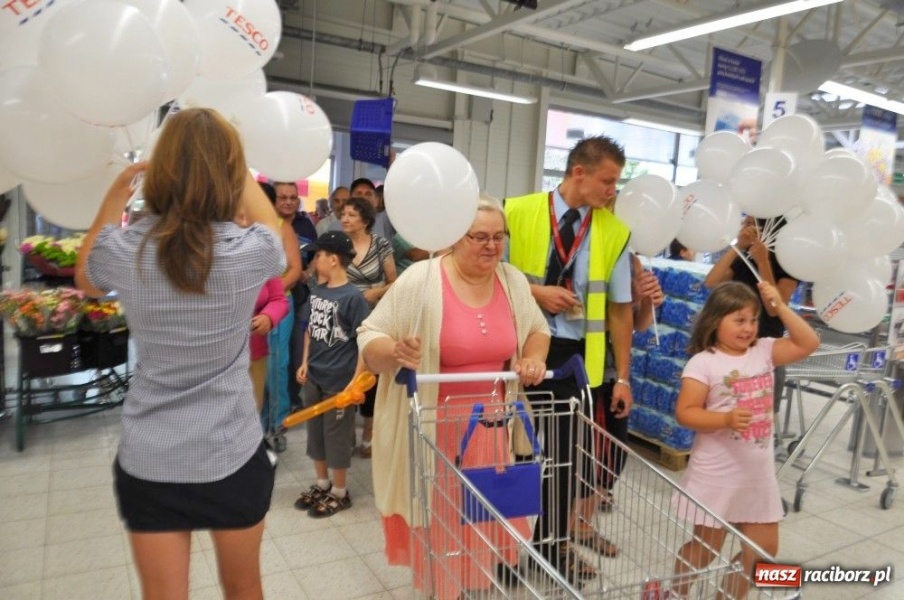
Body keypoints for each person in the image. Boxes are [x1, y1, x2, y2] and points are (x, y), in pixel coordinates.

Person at [74, 108, 285, 600]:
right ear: (230, 175)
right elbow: (277, 238)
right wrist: (241, 170)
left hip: (151, 456)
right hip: (230, 451)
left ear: (162, 168)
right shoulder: (247, 251)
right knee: (243, 588)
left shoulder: (129, 250)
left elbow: (85, 277)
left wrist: (119, 188)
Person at [357, 195, 550, 599]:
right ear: (454, 238)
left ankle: (467, 589)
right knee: (442, 524)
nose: (491, 246)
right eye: (479, 236)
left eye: (499, 237)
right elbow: (370, 336)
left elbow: (537, 329)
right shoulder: (421, 280)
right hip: (435, 433)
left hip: (490, 430)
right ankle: (444, 592)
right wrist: (394, 352)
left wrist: (532, 358)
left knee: (479, 524)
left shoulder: (512, 280)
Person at [504, 135, 634, 578]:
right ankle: (502, 547)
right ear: (579, 173)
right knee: (512, 453)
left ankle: (551, 548)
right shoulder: (515, 211)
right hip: (516, 351)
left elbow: (620, 310)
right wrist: (536, 291)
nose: (612, 191)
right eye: (608, 181)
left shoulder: (615, 233)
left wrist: (623, 378)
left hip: (576, 361)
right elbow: (486, 272)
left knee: (565, 459)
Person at [671, 281, 818, 599]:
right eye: (739, 320)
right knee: (706, 548)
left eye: (752, 319)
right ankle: (675, 592)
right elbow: (686, 412)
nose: (748, 327)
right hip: (718, 474)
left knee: (762, 553)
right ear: (715, 321)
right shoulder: (704, 363)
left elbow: (809, 342)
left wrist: (779, 306)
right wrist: (723, 419)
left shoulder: (765, 350)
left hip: (757, 475)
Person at [704, 216, 798, 457]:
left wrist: (763, 261)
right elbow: (712, 281)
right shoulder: (742, 254)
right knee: (724, 411)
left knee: (758, 420)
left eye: (756, 224)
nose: (751, 228)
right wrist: (737, 246)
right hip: (728, 347)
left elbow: (775, 308)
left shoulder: (790, 260)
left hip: (764, 350)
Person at [293, 231, 370, 518]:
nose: (314, 261)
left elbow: (364, 341)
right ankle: (322, 483)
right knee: (315, 433)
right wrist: (304, 362)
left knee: (336, 435)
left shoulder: (353, 298)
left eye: (318, 255)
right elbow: (311, 330)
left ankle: (340, 491)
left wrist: (355, 380)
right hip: (314, 374)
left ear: (334, 259)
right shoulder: (317, 292)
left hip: (340, 380)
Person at [341, 195, 398, 457]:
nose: (344, 219)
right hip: (342, 315)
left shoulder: (381, 245)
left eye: (351, 215)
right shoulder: (338, 244)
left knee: (370, 374)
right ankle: (346, 431)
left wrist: (375, 293)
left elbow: (393, 282)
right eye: (343, 214)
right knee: (344, 370)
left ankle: (369, 431)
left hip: (374, 316)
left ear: (365, 220)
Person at [263, 182, 305, 449]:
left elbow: (294, 270)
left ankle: (276, 424)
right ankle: (256, 422)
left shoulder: (282, 228)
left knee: (276, 365)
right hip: (247, 310)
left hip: (279, 306)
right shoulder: (237, 227)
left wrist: (270, 297)